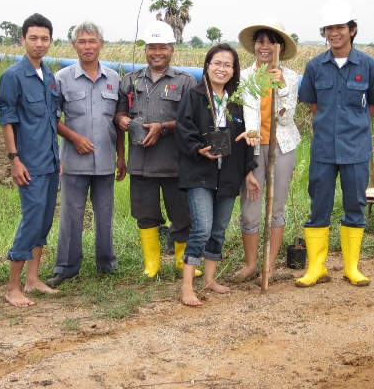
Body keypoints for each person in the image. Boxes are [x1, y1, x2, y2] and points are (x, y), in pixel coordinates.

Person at [296, 0, 374, 288]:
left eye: (340, 27)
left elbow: (373, 105)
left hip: (355, 149)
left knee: (355, 205)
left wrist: (352, 125)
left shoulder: (370, 66)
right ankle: (317, 268)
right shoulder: (314, 66)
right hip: (323, 148)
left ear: (352, 30)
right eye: (329, 28)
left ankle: (352, 268)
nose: (334, 33)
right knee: (318, 204)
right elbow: (314, 107)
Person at [176, 43, 260, 306]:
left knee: (219, 229)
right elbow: (183, 128)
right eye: (217, 63)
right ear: (207, 66)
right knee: (202, 228)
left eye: (227, 65)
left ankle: (210, 279)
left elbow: (245, 139)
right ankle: (187, 287)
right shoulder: (194, 95)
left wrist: (248, 171)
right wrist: (199, 149)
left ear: (234, 70)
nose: (221, 69)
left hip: (229, 174)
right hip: (200, 173)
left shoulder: (237, 101)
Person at [115, 21, 197, 278]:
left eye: (162, 47)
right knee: (145, 213)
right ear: (145, 50)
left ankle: (183, 260)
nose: (157, 53)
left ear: (172, 49)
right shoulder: (130, 80)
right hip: (141, 163)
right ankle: (152, 265)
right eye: (152, 47)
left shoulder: (185, 81)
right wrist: (123, 120)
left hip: (175, 163)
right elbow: (119, 113)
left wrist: (163, 127)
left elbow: (191, 121)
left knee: (181, 214)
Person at [47, 21, 126, 287]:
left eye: (92, 41)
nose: (87, 46)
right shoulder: (61, 78)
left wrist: (121, 156)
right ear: (74, 45)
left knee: (105, 214)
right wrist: (74, 138)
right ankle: (66, 267)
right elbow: (52, 118)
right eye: (82, 41)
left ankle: (107, 263)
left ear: (101, 44)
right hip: (73, 161)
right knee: (71, 215)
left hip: (105, 161)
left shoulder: (114, 79)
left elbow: (118, 121)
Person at [0, 13, 61, 307]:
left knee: (44, 220)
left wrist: (58, 158)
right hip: (29, 163)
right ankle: (12, 287)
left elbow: (52, 120)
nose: (39, 43)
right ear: (23, 39)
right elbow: (7, 119)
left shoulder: (50, 76)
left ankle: (33, 279)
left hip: (50, 162)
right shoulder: (13, 76)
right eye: (33, 38)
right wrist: (14, 160)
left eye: (44, 38)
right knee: (31, 219)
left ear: (51, 41)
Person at [234, 19, 301, 282]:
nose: (265, 47)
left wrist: (281, 87)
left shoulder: (290, 77)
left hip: (281, 146)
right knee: (250, 208)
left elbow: (286, 117)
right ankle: (251, 264)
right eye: (260, 41)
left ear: (280, 47)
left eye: (271, 42)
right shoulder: (243, 76)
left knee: (276, 208)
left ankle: (269, 267)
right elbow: (241, 114)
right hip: (252, 148)